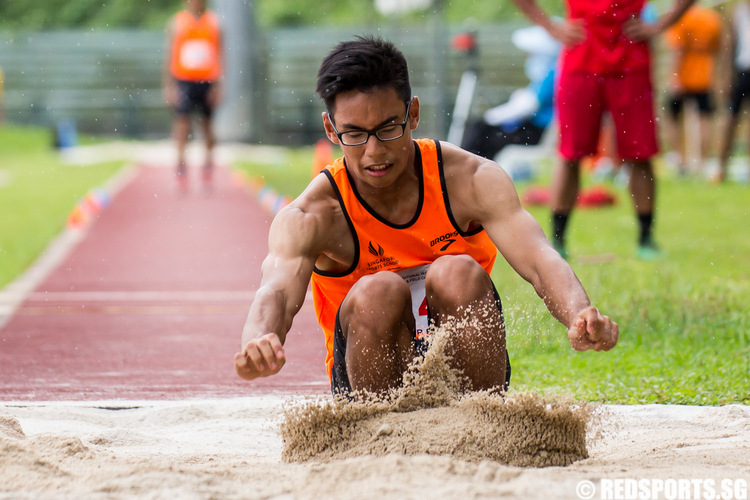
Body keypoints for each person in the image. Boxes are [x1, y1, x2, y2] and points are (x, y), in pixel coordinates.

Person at [234, 36, 618, 399]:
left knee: (457, 272)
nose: (374, 153)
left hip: (465, 367)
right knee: (378, 290)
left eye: (387, 129)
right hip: (368, 379)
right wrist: (259, 338)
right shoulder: (313, 213)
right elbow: (277, 292)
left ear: (412, 114)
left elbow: (538, 259)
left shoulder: (469, 179)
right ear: (330, 130)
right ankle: (374, 429)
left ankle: (485, 420)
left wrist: (579, 314)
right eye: (354, 134)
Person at [510, 0, 695, 260]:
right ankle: (558, 240)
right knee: (570, 153)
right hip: (581, 61)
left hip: (632, 63)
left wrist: (660, 24)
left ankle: (646, 238)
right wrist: (550, 27)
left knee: (640, 153)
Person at [462, 25, 559, 161]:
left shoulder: (552, 74)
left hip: (536, 131)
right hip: (532, 128)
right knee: (480, 129)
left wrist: (491, 117)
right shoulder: (549, 74)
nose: (528, 57)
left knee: (481, 131)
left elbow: (529, 106)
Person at [162, 0, 223, 192]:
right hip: (184, 80)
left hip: (207, 81)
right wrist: (169, 86)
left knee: (206, 126)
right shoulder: (176, 23)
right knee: (182, 126)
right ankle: (181, 172)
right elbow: (169, 56)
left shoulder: (215, 24)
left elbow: (221, 56)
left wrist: (219, 86)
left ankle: (207, 171)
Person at [662, 4, 723, 176]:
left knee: (673, 117)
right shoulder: (711, 18)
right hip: (705, 78)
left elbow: (678, 50)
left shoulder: (681, 18)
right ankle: (702, 162)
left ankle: (680, 160)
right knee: (704, 119)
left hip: (682, 78)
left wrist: (674, 77)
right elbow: (716, 49)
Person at [717, 0, 750, 183]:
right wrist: (726, 76)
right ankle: (722, 168)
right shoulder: (736, 11)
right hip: (743, 71)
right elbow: (728, 47)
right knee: (730, 119)